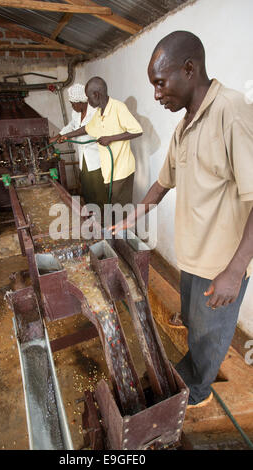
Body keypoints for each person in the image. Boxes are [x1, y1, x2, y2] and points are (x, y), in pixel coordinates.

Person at [112, 31, 253, 407]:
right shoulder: (185, 125)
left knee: (210, 339)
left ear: (189, 69)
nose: (156, 94)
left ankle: (199, 394)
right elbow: (162, 183)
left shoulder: (233, 112)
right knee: (195, 328)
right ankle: (189, 372)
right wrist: (126, 219)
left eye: (160, 83)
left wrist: (235, 272)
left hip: (221, 265)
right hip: (193, 258)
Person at [58, 77, 143, 208]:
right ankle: (111, 227)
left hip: (121, 170)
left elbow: (137, 131)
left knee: (121, 209)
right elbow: (86, 129)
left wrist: (110, 138)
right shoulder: (99, 113)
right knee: (112, 207)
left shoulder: (118, 107)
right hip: (108, 171)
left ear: (96, 95)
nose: (87, 100)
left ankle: (123, 228)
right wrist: (65, 135)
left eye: (88, 97)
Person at [49, 83, 106, 210]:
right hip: (84, 158)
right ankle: (93, 216)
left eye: (73, 103)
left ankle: (105, 221)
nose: (72, 106)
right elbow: (71, 125)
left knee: (99, 192)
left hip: (97, 158)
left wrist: (67, 136)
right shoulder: (76, 112)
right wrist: (59, 135)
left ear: (81, 101)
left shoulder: (96, 112)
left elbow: (87, 129)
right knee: (87, 190)